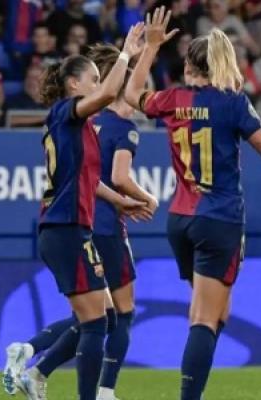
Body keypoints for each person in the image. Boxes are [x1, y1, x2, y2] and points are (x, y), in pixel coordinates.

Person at [124, 9, 261, 400]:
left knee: (215, 313)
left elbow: (131, 96)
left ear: (188, 66)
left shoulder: (172, 99)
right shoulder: (232, 103)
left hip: (180, 219)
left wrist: (148, 49)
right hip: (220, 220)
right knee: (204, 319)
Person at [8, 23, 150, 400]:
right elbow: (107, 94)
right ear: (74, 84)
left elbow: (88, 178)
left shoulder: (81, 127)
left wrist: (119, 201)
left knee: (101, 318)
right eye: (93, 78)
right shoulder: (65, 113)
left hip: (73, 228)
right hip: (66, 228)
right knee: (95, 322)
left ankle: (38, 370)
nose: (99, 84)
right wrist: (126, 54)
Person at [85, 43, 159, 400]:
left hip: (81, 223)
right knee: (123, 313)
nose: (144, 98)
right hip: (108, 226)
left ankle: (35, 357)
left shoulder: (88, 120)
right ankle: (105, 390)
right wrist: (148, 198)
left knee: (94, 315)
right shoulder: (125, 129)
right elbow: (120, 177)